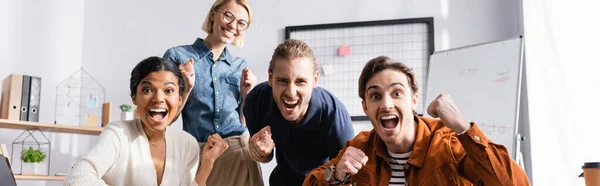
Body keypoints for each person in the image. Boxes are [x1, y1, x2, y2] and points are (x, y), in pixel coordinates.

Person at [303, 56, 530, 186]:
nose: (386, 104)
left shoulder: (448, 142)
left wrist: (463, 127)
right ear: (365, 107)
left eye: (397, 93)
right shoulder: (360, 146)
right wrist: (336, 175)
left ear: (414, 99)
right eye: (375, 96)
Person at [65, 56, 227, 186]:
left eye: (168, 90)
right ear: (134, 97)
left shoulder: (187, 143)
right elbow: (77, 179)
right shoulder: (118, 134)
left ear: (179, 99)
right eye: (147, 90)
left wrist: (208, 163)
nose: (158, 98)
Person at [162, 0, 262, 185]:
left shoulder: (240, 66)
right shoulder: (177, 57)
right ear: (213, 14)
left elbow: (243, 123)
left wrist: (247, 94)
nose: (233, 25)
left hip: (238, 154)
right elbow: (166, 118)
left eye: (241, 23)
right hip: (197, 155)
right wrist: (186, 86)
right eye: (228, 15)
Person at [244, 39, 355, 186]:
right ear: (270, 77)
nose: (291, 92)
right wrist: (260, 152)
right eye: (283, 81)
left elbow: (348, 177)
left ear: (315, 80)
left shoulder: (334, 115)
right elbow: (261, 156)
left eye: (300, 81)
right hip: (282, 180)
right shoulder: (256, 100)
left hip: (322, 181)